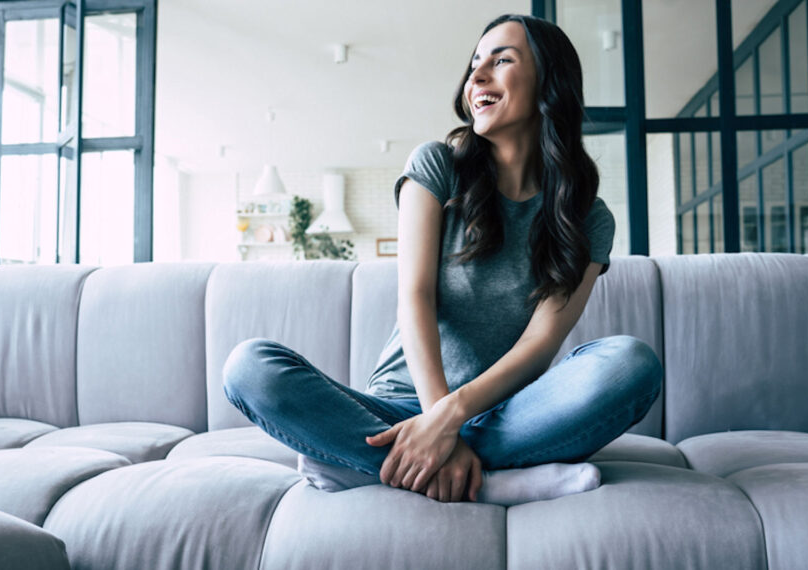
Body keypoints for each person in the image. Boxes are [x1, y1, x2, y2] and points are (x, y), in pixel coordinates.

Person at [223, 14, 663, 506]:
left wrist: (452, 419)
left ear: (548, 81)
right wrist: (437, 422)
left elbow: (541, 344)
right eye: (475, 63)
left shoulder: (588, 219)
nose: (476, 77)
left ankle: (374, 467)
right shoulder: (437, 167)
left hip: (502, 411)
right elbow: (415, 297)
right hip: (395, 408)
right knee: (249, 367)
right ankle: (487, 479)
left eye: (502, 60)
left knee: (631, 365)